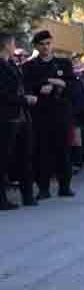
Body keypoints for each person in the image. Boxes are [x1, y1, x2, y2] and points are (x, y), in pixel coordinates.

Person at [23, 30, 76, 199]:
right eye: (42, 44)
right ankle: (43, 188)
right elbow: (27, 86)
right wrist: (44, 86)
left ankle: (65, 186)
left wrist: (51, 81)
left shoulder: (63, 63)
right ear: (36, 46)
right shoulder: (29, 66)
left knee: (63, 150)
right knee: (41, 152)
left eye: (48, 43)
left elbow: (70, 84)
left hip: (61, 112)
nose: (46, 47)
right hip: (41, 114)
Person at [1, 32, 39, 210]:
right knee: (4, 158)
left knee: (26, 155)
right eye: (12, 43)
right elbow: (4, 95)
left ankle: (28, 194)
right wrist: (25, 100)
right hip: (7, 118)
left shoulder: (12, 64)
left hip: (22, 117)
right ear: (6, 44)